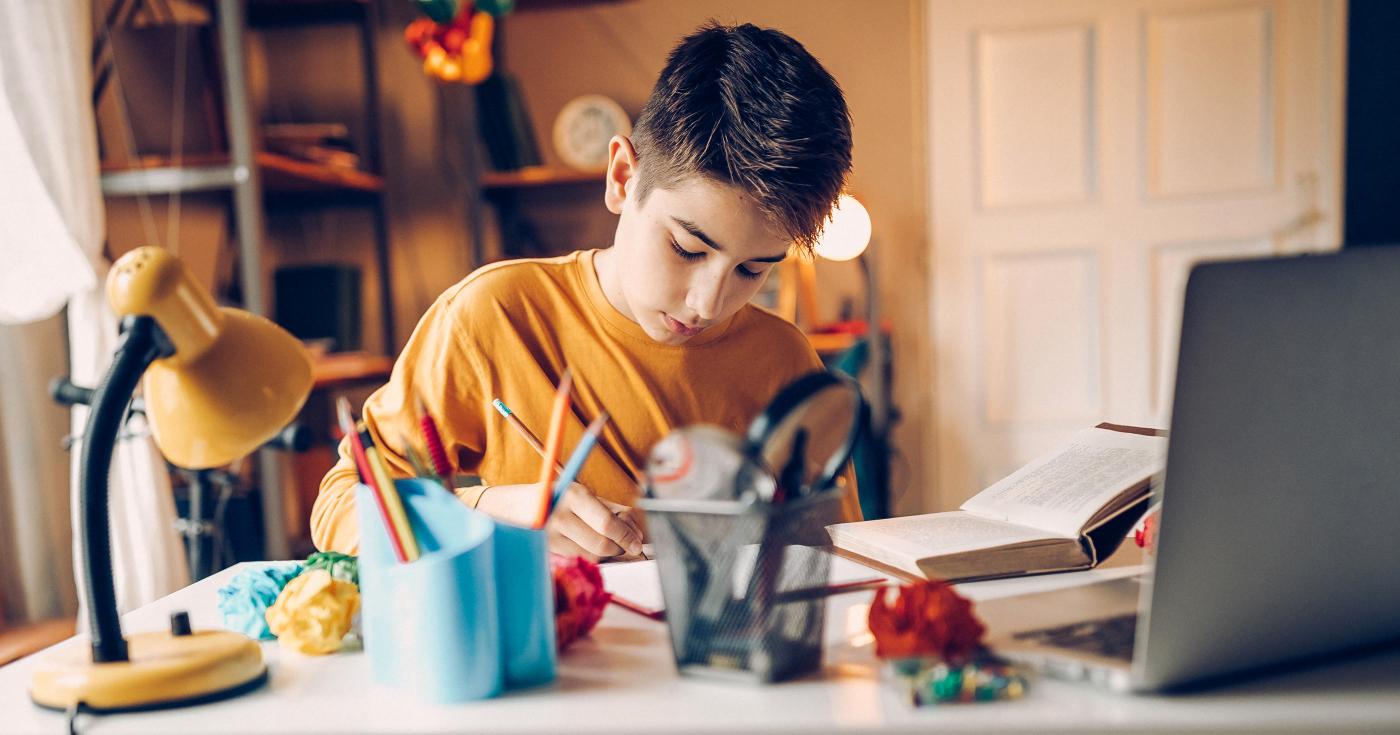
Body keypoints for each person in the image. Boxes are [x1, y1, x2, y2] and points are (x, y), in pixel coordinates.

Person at [312, 21, 858, 559]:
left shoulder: (785, 362)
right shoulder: (494, 315)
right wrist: (487, 513)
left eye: (752, 270)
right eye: (688, 249)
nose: (707, 304)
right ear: (622, 176)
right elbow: (341, 507)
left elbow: (838, 554)